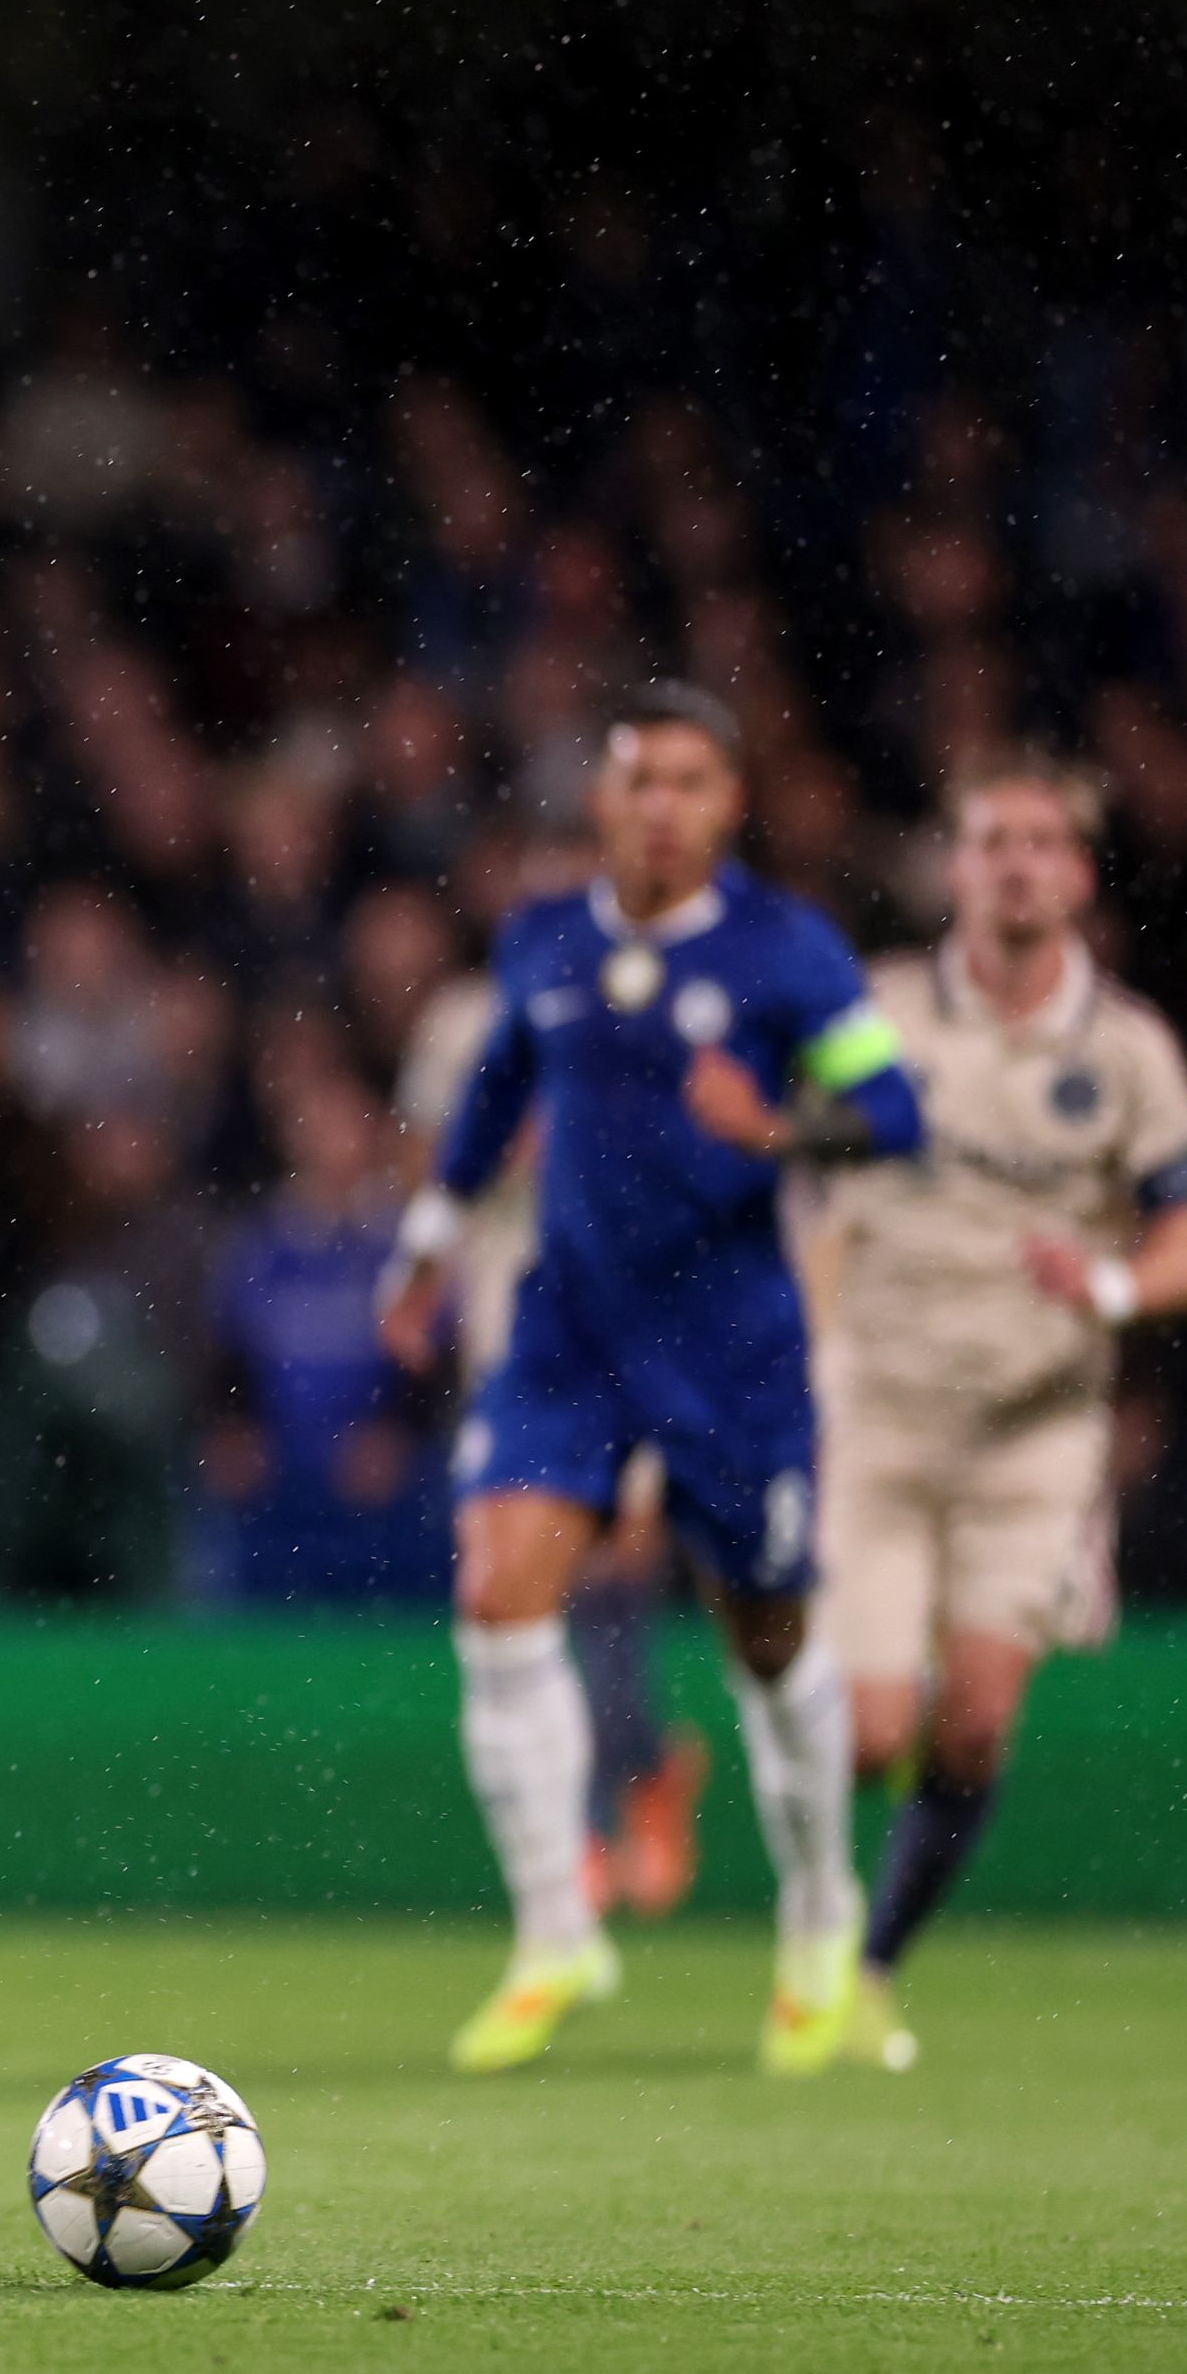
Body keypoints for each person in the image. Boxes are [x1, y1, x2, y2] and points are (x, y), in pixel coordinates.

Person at [378, 683, 924, 2076]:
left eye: (688, 780)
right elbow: (500, 1087)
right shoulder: (543, 934)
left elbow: (892, 1111)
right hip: (566, 1324)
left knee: (769, 1638)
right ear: (603, 798)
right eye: (638, 780)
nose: (659, 804)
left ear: (729, 803)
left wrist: (784, 1120)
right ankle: (558, 1930)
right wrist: (431, 1238)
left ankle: (815, 1909)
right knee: (497, 1590)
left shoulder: (784, 950)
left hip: (729, 1342)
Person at [802, 759, 1187, 2069]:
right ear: (957, 866)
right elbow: (804, 1180)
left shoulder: (1127, 1048)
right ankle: (810, 1930)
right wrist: (808, 1346)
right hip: (879, 1407)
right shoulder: (872, 1012)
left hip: (1036, 1429)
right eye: (993, 841)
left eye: (1043, 843)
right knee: (873, 1730)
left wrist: (1105, 1282)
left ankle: (866, 1970)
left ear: (1080, 875)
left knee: (973, 1719)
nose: (1018, 864)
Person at [394, 862, 708, 1922]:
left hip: (638, 1323)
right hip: (510, 1337)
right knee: (522, 1582)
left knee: (616, 1564)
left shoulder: (663, 999)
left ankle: (636, 1785)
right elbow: (425, 1158)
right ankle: (591, 1811)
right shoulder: (465, 1017)